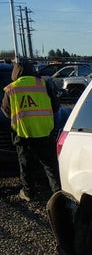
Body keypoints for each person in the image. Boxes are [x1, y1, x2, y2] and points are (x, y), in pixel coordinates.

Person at [1, 58, 62, 201]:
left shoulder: (11, 89)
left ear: (16, 73)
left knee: (25, 164)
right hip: (44, 131)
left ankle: (28, 193)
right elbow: (55, 107)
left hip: (23, 133)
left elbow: (6, 111)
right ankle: (58, 195)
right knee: (50, 166)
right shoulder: (43, 84)